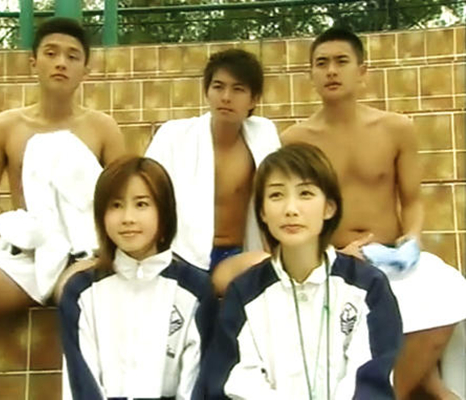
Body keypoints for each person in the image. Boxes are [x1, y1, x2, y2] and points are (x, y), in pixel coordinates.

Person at [0, 17, 125, 400]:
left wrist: (103, 249)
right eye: (51, 53)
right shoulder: (4, 127)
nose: (61, 62)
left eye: (72, 56)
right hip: (27, 250)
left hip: (84, 252)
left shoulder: (103, 128)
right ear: (33, 62)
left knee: (83, 300)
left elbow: (124, 195)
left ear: (86, 69)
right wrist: (9, 224)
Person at [279, 27, 466, 399]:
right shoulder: (295, 141)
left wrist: (411, 241)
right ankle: (423, 387)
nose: (332, 71)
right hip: (333, 262)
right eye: (322, 63)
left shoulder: (396, 129)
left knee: (449, 292)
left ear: (362, 71)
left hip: (392, 257)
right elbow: (292, 210)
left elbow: (412, 201)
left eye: (341, 62)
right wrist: (327, 254)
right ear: (311, 74)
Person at [200, 143, 403, 399]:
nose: (291, 209)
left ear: (329, 207)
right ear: (262, 212)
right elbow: (233, 381)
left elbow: (370, 377)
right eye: (276, 195)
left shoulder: (367, 286)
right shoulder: (243, 293)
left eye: (305, 193)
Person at [59, 156, 213, 399]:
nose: (127, 218)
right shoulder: (80, 292)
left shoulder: (195, 289)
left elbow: (197, 382)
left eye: (141, 204)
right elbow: (80, 381)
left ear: (164, 212)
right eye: (116, 205)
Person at [145, 48, 281, 272]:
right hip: (183, 255)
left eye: (238, 89)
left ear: (254, 99)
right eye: (218, 87)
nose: (226, 97)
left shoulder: (264, 136)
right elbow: (147, 193)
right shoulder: (173, 136)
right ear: (207, 91)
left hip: (240, 254)